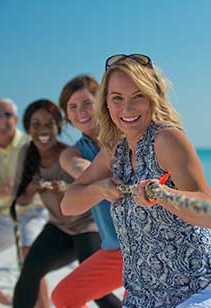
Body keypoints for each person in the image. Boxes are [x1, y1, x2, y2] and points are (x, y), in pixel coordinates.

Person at [60, 54, 211, 308]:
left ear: (152, 96)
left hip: (196, 292)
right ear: (106, 103)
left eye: (138, 96)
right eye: (117, 98)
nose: (127, 109)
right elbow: (69, 204)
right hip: (143, 300)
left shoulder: (167, 139)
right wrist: (100, 189)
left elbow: (209, 215)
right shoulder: (114, 150)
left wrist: (163, 195)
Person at [11, 99, 115, 308]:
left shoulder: (69, 154)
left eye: (49, 124)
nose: (43, 130)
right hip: (58, 228)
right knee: (29, 274)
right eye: (36, 124)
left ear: (59, 126)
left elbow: (88, 187)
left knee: (99, 294)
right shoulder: (26, 154)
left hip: (87, 226)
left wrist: (67, 190)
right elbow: (19, 200)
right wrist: (32, 189)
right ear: (27, 128)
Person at [51, 75, 123, 308]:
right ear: (67, 116)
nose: (80, 111)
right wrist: (98, 185)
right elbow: (82, 170)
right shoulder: (70, 154)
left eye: (86, 103)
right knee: (64, 296)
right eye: (72, 107)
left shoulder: (126, 134)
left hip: (147, 244)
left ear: (102, 103)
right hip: (114, 249)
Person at [0, 98, 48, 306]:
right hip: (6, 215)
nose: (2, 119)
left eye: (6, 114)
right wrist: (5, 187)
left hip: (33, 211)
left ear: (15, 119)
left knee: (30, 255)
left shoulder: (30, 144)